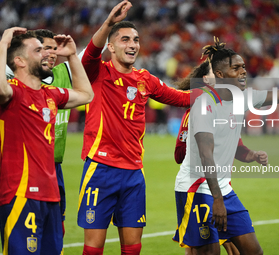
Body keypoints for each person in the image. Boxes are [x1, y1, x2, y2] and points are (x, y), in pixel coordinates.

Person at [173, 39, 279, 255]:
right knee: (208, 253)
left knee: (254, 251)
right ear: (221, 76)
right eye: (236, 68)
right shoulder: (204, 103)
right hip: (196, 187)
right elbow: (206, 155)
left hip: (223, 188)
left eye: (243, 67)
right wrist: (217, 200)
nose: (243, 71)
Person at [77, 1, 200, 254]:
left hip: (134, 173)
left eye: (135, 40)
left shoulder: (145, 79)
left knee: (132, 249)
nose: (132, 44)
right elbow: (90, 52)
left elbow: (181, 97)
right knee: (93, 249)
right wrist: (109, 23)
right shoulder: (96, 72)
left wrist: (219, 92)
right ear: (110, 46)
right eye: (124, 39)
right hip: (101, 169)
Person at [0, 27, 93, 255]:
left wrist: (71, 56)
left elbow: (86, 94)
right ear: (20, 61)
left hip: (51, 194)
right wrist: (3, 44)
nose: (47, 54)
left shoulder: (50, 94)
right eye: (38, 50)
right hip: (20, 193)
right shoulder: (12, 93)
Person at [173, 59, 267, 255]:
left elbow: (237, 147)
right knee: (206, 249)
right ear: (209, 78)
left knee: (236, 249)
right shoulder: (198, 110)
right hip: (198, 186)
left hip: (222, 186)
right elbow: (179, 154)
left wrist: (251, 154)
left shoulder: (229, 106)